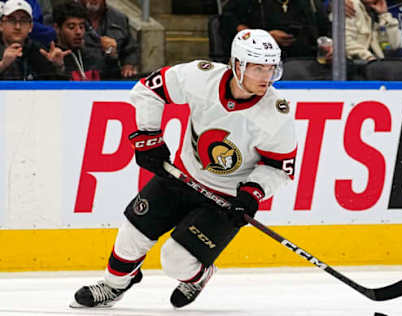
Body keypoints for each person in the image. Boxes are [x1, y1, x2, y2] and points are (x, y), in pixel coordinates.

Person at [70, 29, 297, 309]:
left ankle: (199, 277)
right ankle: (114, 285)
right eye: (258, 68)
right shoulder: (201, 77)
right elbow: (149, 89)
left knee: (175, 261)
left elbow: (280, 167)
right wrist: (147, 138)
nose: (266, 77)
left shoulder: (277, 113)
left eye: (271, 68)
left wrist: (252, 193)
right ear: (237, 65)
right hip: (182, 176)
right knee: (132, 233)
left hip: (224, 200)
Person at [220, 0, 331, 59]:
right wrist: (265, 36)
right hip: (261, 60)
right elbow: (229, 22)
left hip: (305, 61)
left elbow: (326, 31)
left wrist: (329, 46)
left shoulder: (310, 3)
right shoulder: (246, 3)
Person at [0, 0, 66, 80]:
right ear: (1, 24)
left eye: (23, 21)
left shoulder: (39, 51)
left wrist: (58, 67)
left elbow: (55, 89)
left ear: (31, 27)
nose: (18, 27)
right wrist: (2, 65)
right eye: (11, 20)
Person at [52, 1, 118, 80]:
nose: (78, 32)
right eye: (71, 27)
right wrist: (58, 68)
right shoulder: (50, 57)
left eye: (81, 26)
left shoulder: (93, 56)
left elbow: (113, 84)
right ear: (57, 28)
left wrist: (112, 57)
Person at [80, 0, 139, 79]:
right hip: (78, 77)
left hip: (111, 78)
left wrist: (129, 64)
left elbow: (131, 49)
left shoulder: (119, 18)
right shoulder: (68, 15)